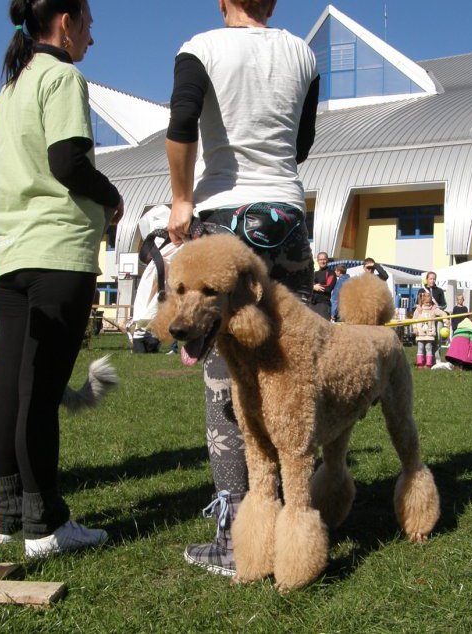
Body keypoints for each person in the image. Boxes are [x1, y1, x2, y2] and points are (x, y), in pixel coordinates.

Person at [165, 0, 319, 575]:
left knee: (225, 373)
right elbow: (300, 143)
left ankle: (238, 536)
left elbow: (182, 126)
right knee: (293, 366)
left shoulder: (200, 48)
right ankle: (299, 514)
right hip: (287, 213)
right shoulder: (303, 53)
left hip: (225, 214)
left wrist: (182, 198)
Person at [0, 0, 123, 558]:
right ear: (65, 23)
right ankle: (45, 525)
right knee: (40, 395)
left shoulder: (6, 92)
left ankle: (6, 518)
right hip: (57, 253)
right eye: (88, 23)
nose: (92, 36)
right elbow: (67, 163)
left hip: (9, 255)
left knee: (10, 391)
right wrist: (112, 196)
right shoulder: (62, 77)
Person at [412, 290, 447, 368]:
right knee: (420, 347)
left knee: (429, 348)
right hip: (420, 333)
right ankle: (420, 363)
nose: (428, 304)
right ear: (422, 302)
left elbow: (442, 313)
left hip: (430, 334)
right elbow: (414, 320)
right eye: (426, 303)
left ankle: (428, 364)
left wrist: (445, 320)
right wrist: (415, 328)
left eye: (429, 302)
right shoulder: (418, 310)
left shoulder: (433, 310)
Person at [310, 252, 335, 320]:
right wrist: (313, 287)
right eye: (320, 259)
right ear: (317, 261)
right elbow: (307, 285)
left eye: (324, 259)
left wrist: (314, 286)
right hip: (312, 304)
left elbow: (328, 287)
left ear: (327, 260)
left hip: (323, 305)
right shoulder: (315, 273)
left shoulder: (331, 273)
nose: (322, 261)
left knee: (323, 326)